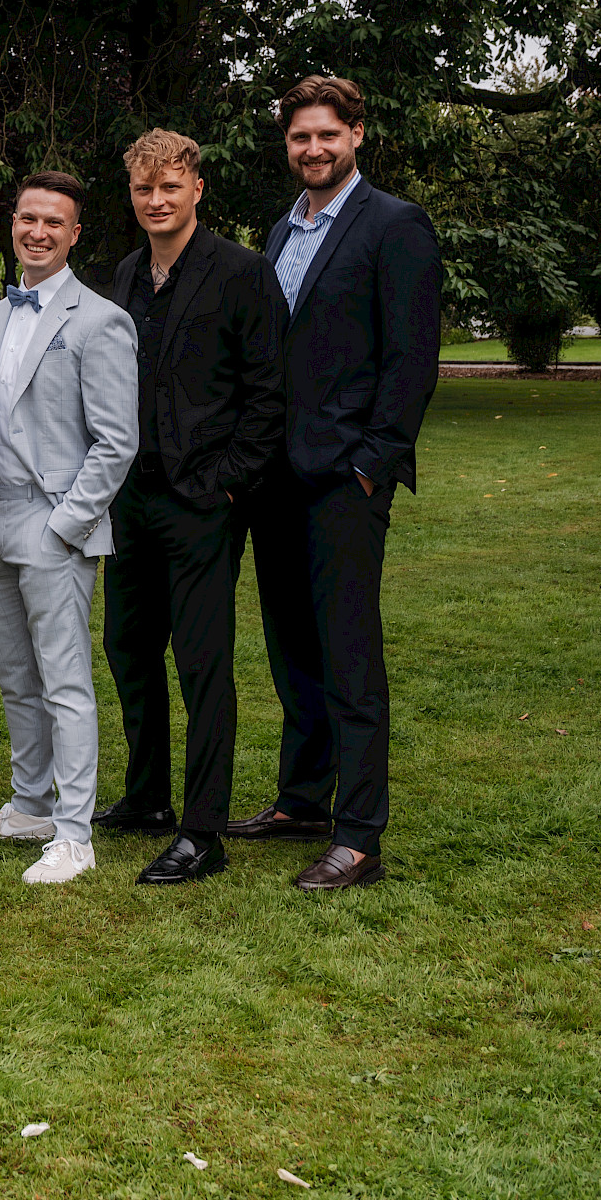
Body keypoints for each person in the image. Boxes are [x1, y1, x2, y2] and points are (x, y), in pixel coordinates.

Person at [232, 75, 441, 890]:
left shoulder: (395, 225)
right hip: (276, 478)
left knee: (349, 656)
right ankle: (302, 802)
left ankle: (358, 836)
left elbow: (411, 358)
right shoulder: (282, 230)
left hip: (344, 480)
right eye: (299, 137)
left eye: (327, 134)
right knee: (293, 650)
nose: (313, 148)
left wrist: (371, 465)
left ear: (357, 134)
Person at [99, 130, 289, 886]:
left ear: (197, 190)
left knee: (203, 664)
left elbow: (268, 392)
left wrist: (228, 485)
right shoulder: (126, 275)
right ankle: (147, 796)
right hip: (131, 498)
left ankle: (202, 831)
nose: (157, 200)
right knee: (128, 646)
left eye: (170, 186)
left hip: (202, 502)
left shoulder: (242, 272)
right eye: (144, 188)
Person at [0, 173, 138, 884]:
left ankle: (74, 834)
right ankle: (29, 804)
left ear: (74, 235)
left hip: (53, 522)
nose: (37, 232)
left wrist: (65, 525)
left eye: (53, 223)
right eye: (27, 218)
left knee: (65, 681)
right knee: (14, 675)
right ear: (13, 223)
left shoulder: (100, 320)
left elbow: (116, 442)